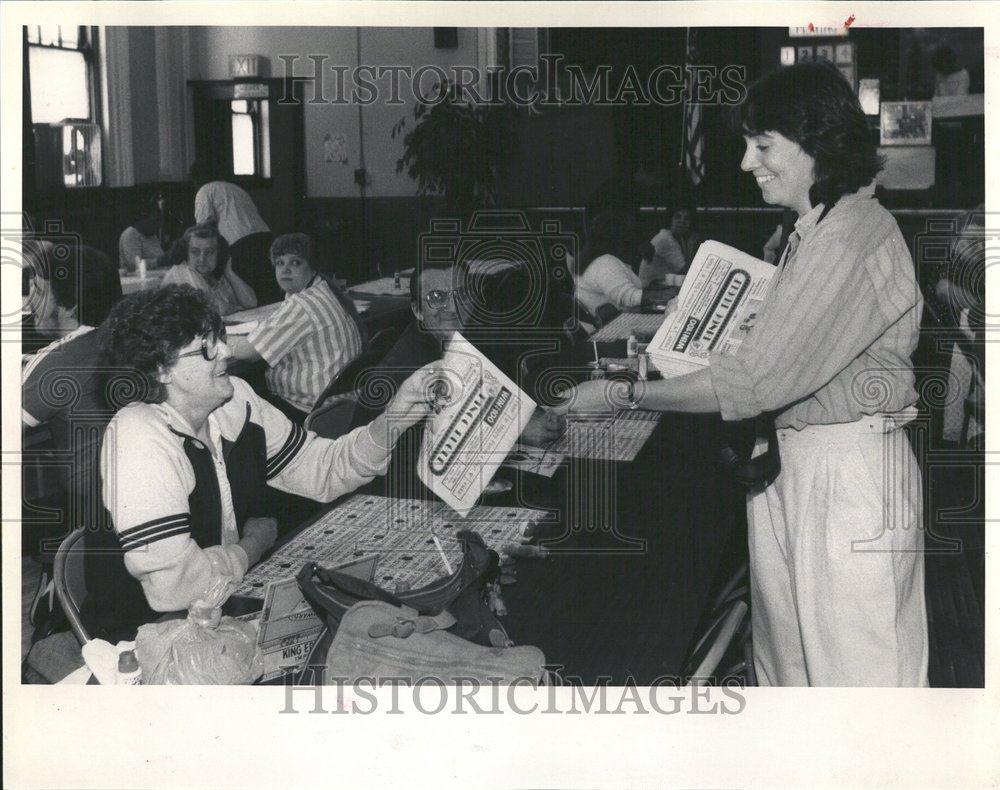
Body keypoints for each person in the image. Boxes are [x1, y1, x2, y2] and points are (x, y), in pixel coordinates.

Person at [557, 61, 928, 687]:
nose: (745, 163)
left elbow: (755, 381)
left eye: (762, 146)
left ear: (818, 144)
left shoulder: (850, 237)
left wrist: (623, 396)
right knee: (792, 674)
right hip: (799, 464)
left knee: (863, 689)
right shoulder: (816, 230)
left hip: (847, 478)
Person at [83, 285, 438, 642]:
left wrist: (395, 417)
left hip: (221, 610)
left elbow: (325, 470)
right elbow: (175, 588)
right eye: (207, 347)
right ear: (162, 370)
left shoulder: (237, 400)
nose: (225, 350)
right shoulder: (139, 436)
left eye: (220, 337)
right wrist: (252, 546)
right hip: (146, 640)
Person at [22, 239, 122, 558]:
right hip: (149, 497)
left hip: (93, 522)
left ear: (68, 306)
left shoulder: (56, 362)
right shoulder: (127, 338)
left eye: (38, 291)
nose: (29, 303)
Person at [226, 233, 364, 421]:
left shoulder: (302, 305)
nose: (286, 270)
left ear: (313, 268)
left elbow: (248, 352)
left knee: (234, 402)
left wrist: (224, 338)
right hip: (343, 405)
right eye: (280, 263)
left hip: (312, 411)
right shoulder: (323, 290)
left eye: (295, 263)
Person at [191, 161, 277, 302]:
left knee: (249, 295)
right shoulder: (237, 189)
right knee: (267, 292)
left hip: (239, 244)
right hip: (265, 238)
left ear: (196, 179)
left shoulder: (204, 191)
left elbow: (204, 229)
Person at [574, 209, 675, 321]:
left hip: (612, 322)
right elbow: (629, 297)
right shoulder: (606, 263)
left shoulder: (592, 258)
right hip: (613, 328)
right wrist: (666, 295)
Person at [161, 222, 258, 316]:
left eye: (209, 252)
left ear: (219, 254)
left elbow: (251, 303)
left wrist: (229, 272)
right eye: (195, 252)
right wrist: (237, 308)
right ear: (186, 253)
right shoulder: (181, 271)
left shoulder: (214, 275)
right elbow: (215, 309)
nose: (202, 258)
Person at [639, 205, 705, 287]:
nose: (682, 221)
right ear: (670, 219)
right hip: (649, 290)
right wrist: (696, 245)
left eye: (687, 219)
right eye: (677, 217)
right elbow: (687, 271)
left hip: (662, 287)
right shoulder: (665, 238)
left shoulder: (680, 238)